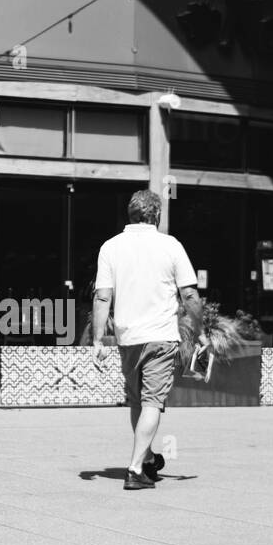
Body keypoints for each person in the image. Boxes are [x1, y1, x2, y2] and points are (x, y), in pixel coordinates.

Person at [92, 189, 204, 491]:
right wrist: (201, 330)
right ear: (157, 215)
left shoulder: (111, 247)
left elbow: (102, 296)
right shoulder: (170, 245)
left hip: (128, 338)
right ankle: (135, 469)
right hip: (161, 337)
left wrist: (98, 339)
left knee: (137, 402)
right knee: (152, 402)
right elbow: (190, 294)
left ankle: (149, 457)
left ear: (130, 214)